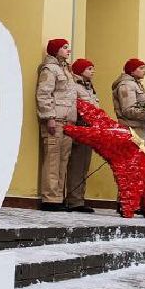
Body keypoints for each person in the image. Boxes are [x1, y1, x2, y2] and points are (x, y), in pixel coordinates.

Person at [36, 38, 77, 211]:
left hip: (68, 122)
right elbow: (44, 94)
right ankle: (50, 198)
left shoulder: (66, 70)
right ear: (55, 50)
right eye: (64, 47)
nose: (68, 50)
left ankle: (58, 197)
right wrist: (49, 117)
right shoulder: (50, 69)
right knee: (52, 159)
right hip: (55, 121)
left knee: (63, 160)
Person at [64, 57, 98, 214]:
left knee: (84, 165)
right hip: (79, 127)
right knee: (76, 166)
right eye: (89, 68)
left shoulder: (89, 87)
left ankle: (79, 198)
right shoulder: (75, 87)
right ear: (80, 71)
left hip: (89, 130)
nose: (92, 71)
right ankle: (74, 200)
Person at [113, 57, 145, 152]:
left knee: (142, 161)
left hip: (140, 127)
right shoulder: (126, 85)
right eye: (141, 68)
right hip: (133, 129)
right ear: (132, 71)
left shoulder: (135, 84)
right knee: (135, 161)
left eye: (144, 68)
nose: (144, 71)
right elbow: (128, 110)